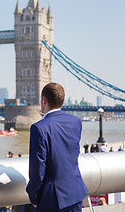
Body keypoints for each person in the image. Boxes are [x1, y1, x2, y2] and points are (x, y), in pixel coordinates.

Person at [26, 83, 87, 212]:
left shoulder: (39, 128)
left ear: (44, 100)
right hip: (75, 193)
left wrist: (34, 198)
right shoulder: (76, 122)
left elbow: (37, 170)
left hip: (52, 201)